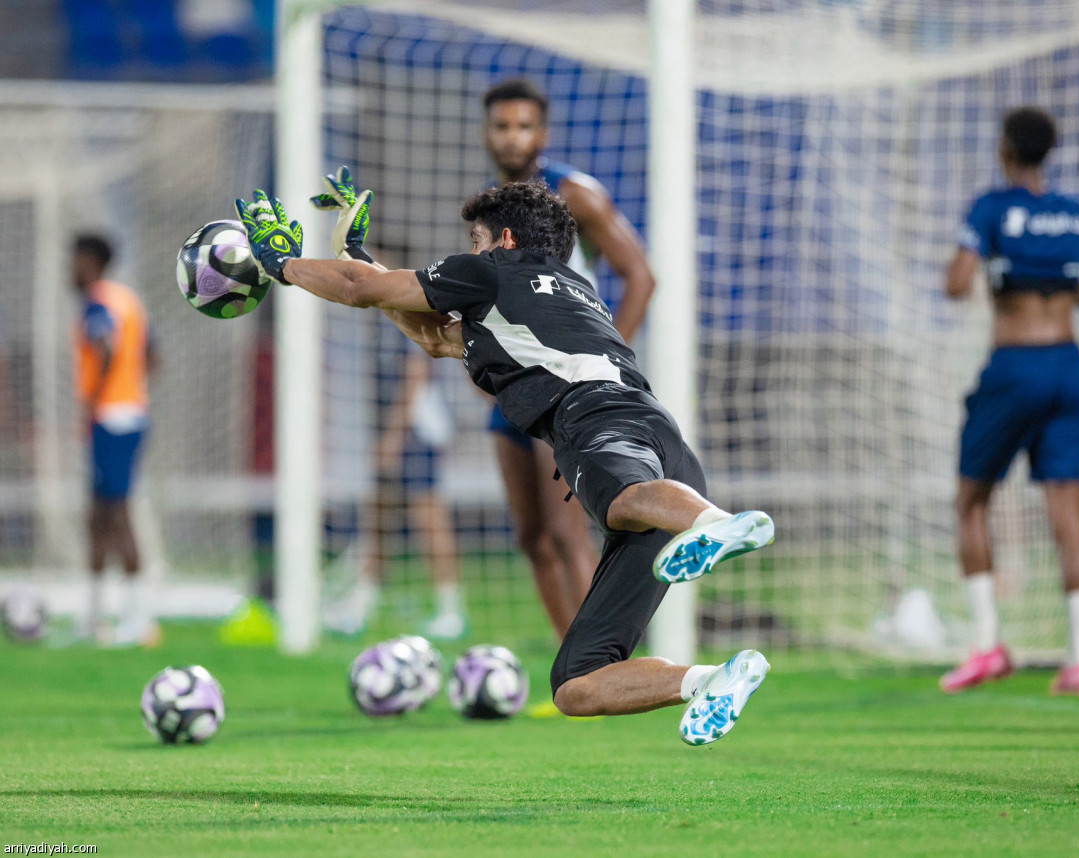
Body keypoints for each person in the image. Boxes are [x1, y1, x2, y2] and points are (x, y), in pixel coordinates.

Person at [235, 175, 775, 744]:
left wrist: (286, 265)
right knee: (576, 684)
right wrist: (362, 257)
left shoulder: (491, 272)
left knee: (618, 504)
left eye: (475, 239)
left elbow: (353, 288)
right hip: (657, 446)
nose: (469, 252)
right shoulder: (565, 288)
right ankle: (715, 678)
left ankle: (720, 525)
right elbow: (432, 336)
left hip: (601, 422)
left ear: (504, 240)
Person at [480, 79, 656, 640]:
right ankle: (570, 670)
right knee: (531, 536)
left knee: (566, 530)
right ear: (487, 134)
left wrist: (604, 358)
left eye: (524, 126)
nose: (513, 138)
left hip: (564, 386)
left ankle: (603, 664)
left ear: (544, 133)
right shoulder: (490, 206)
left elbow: (642, 277)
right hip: (513, 385)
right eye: (503, 126)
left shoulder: (575, 194)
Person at [942, 107, 1079, 695]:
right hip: (1071, 366)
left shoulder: (992, 208)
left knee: (970, 501)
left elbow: (957, 284)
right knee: (1069, 516)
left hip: (1015, 367)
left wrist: (992, 266)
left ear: (1005, 148)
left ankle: (987, 644)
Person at [72, 234, 159, 646]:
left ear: (90, 262)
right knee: (99, 515)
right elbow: (153, 355)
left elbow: (104, 345)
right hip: (131, 413)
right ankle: (95, 617)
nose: (69, 268)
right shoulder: (130, 300)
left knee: (117, 514)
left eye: (74, 260)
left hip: (110, 418)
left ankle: (136, 621)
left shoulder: (98, 301)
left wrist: (94, 401)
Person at [368, 329, 465, 640]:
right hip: (401, 426)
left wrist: (394, 438)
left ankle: (450, 610)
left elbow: (416, 375)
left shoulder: (402, 309)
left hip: (418, 427)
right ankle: (366, 597)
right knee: (380, 511)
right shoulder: (379, 321)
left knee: (429, 516)